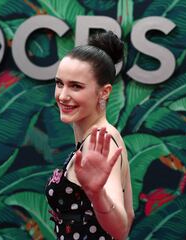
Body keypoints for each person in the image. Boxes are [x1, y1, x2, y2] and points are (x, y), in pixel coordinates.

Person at [45, 30, 134, 240]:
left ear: (104, 92)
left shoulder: (101, 139)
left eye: (76, 86)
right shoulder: (100, 136)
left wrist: (97, 194)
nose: (63, 96)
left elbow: (121, 227)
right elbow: (129, 214)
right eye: (59, 83)